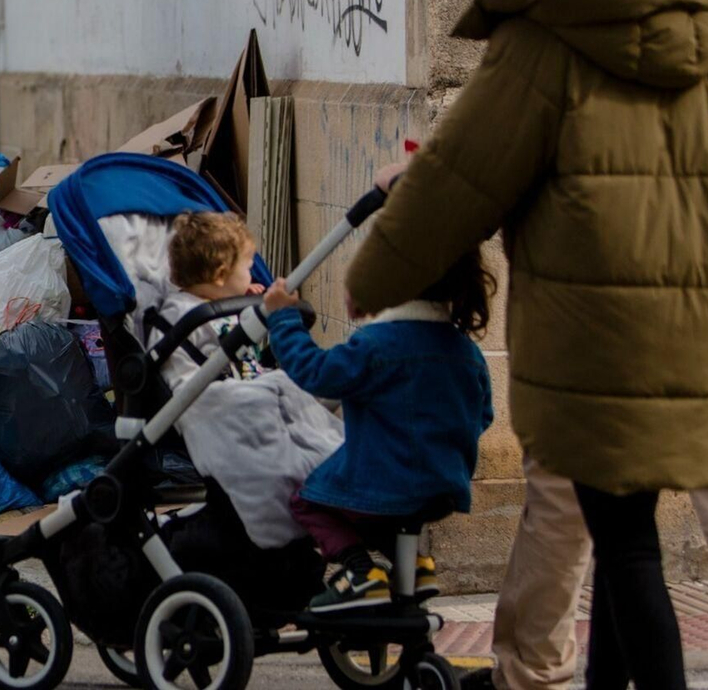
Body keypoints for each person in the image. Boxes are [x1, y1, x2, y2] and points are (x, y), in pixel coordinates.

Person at [342, 0, 708, 688]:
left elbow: (461, 180)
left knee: (627, 547)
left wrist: (371, 279)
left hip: (591, 340)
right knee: (627, 532)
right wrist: (698, 235)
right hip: (698, 332)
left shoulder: (543, 34)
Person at [261, 250, 494, 612]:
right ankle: (413, 566)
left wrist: (283, 320)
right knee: (382, 509)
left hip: (383, 478)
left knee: (309, 500)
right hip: (446, 484)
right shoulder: (466, 351)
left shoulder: (377, 346)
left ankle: (360, 571)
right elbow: (485, 414)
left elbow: (315, 373)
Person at [153, 212, 270, 386]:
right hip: (210, 399)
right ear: (220, 275)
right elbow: (180, 376)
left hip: (244, 384)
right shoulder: (182, 316)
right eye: (248, 269)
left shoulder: (217, 303)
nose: (251, 277)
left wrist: (245, 305)